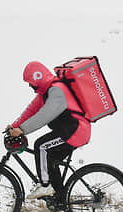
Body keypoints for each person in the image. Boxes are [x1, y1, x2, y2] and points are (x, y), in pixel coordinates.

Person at [6, 61, 90, 200]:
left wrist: (22, 129)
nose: (30, 85)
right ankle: (60, 198)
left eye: (30, 82)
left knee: (41, 146)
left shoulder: (57, 90)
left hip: (75, 130)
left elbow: (45, 115)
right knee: (50, 161)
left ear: (38, 77)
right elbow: (31, 110)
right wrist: (15, 125)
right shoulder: (45, 93)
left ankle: (45, 185)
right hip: (68, 131)